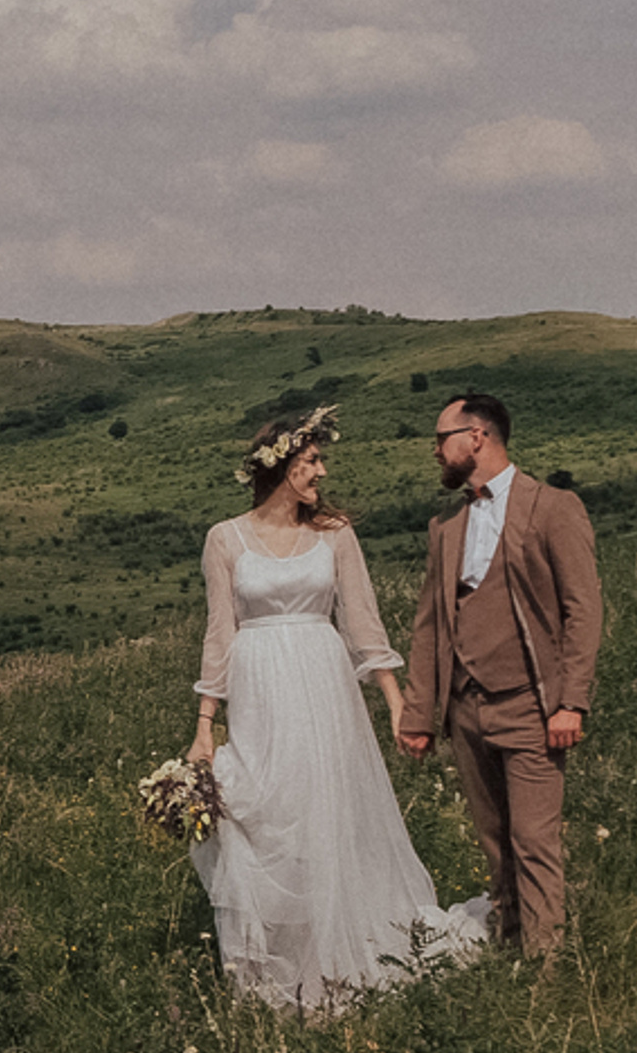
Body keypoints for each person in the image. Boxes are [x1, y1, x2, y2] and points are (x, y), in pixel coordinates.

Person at [187, 402, 491, 1013]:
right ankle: (283, 961)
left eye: (320, 460)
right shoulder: (225, 539)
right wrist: (203, 729)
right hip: (260, 690)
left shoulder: (335, 535)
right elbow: (219, 635)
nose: (321, 472)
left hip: (324, 686)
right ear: (278, 468)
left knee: (324, 808)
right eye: (310, 461)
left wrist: (397, 703)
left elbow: (363, 624)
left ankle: (340, 959)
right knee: (267, 808)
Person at [398, 393, 601, 956]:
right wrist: (419, 715)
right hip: (466, 710)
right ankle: (511, 955)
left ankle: (547, 977)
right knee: (495, 844)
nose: (435, 452)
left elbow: (582, 610)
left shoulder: (554, 507)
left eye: (442, 439)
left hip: (532, 706)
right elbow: (430, 626)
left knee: (534, 842)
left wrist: (572, 702)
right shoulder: (446, 525)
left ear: (477, 436)